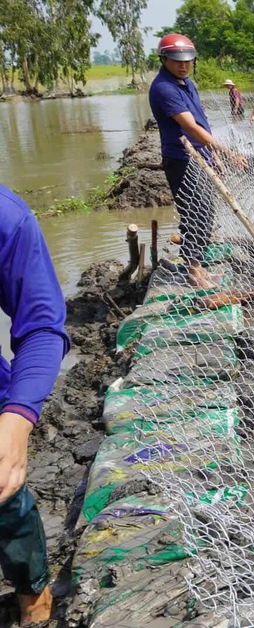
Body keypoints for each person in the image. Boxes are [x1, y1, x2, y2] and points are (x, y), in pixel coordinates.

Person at [0, 185, 70, 624]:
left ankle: (34, 598)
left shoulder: (7, 218)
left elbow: (42, 324)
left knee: (9, 505)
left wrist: (18, 417)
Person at [148, 33, 245, 288]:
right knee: (194, 214)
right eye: (177, 60)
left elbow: (202, 121)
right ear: (164, 59)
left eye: (187, 60)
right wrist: (228, 153)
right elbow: (190, 127)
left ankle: (198, 267)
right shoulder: (163, 88)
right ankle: (193, 272)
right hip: (182, 159)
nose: (183, 65)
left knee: (205, 213)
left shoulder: (187, 83)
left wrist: (214, 156)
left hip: (200, 156)